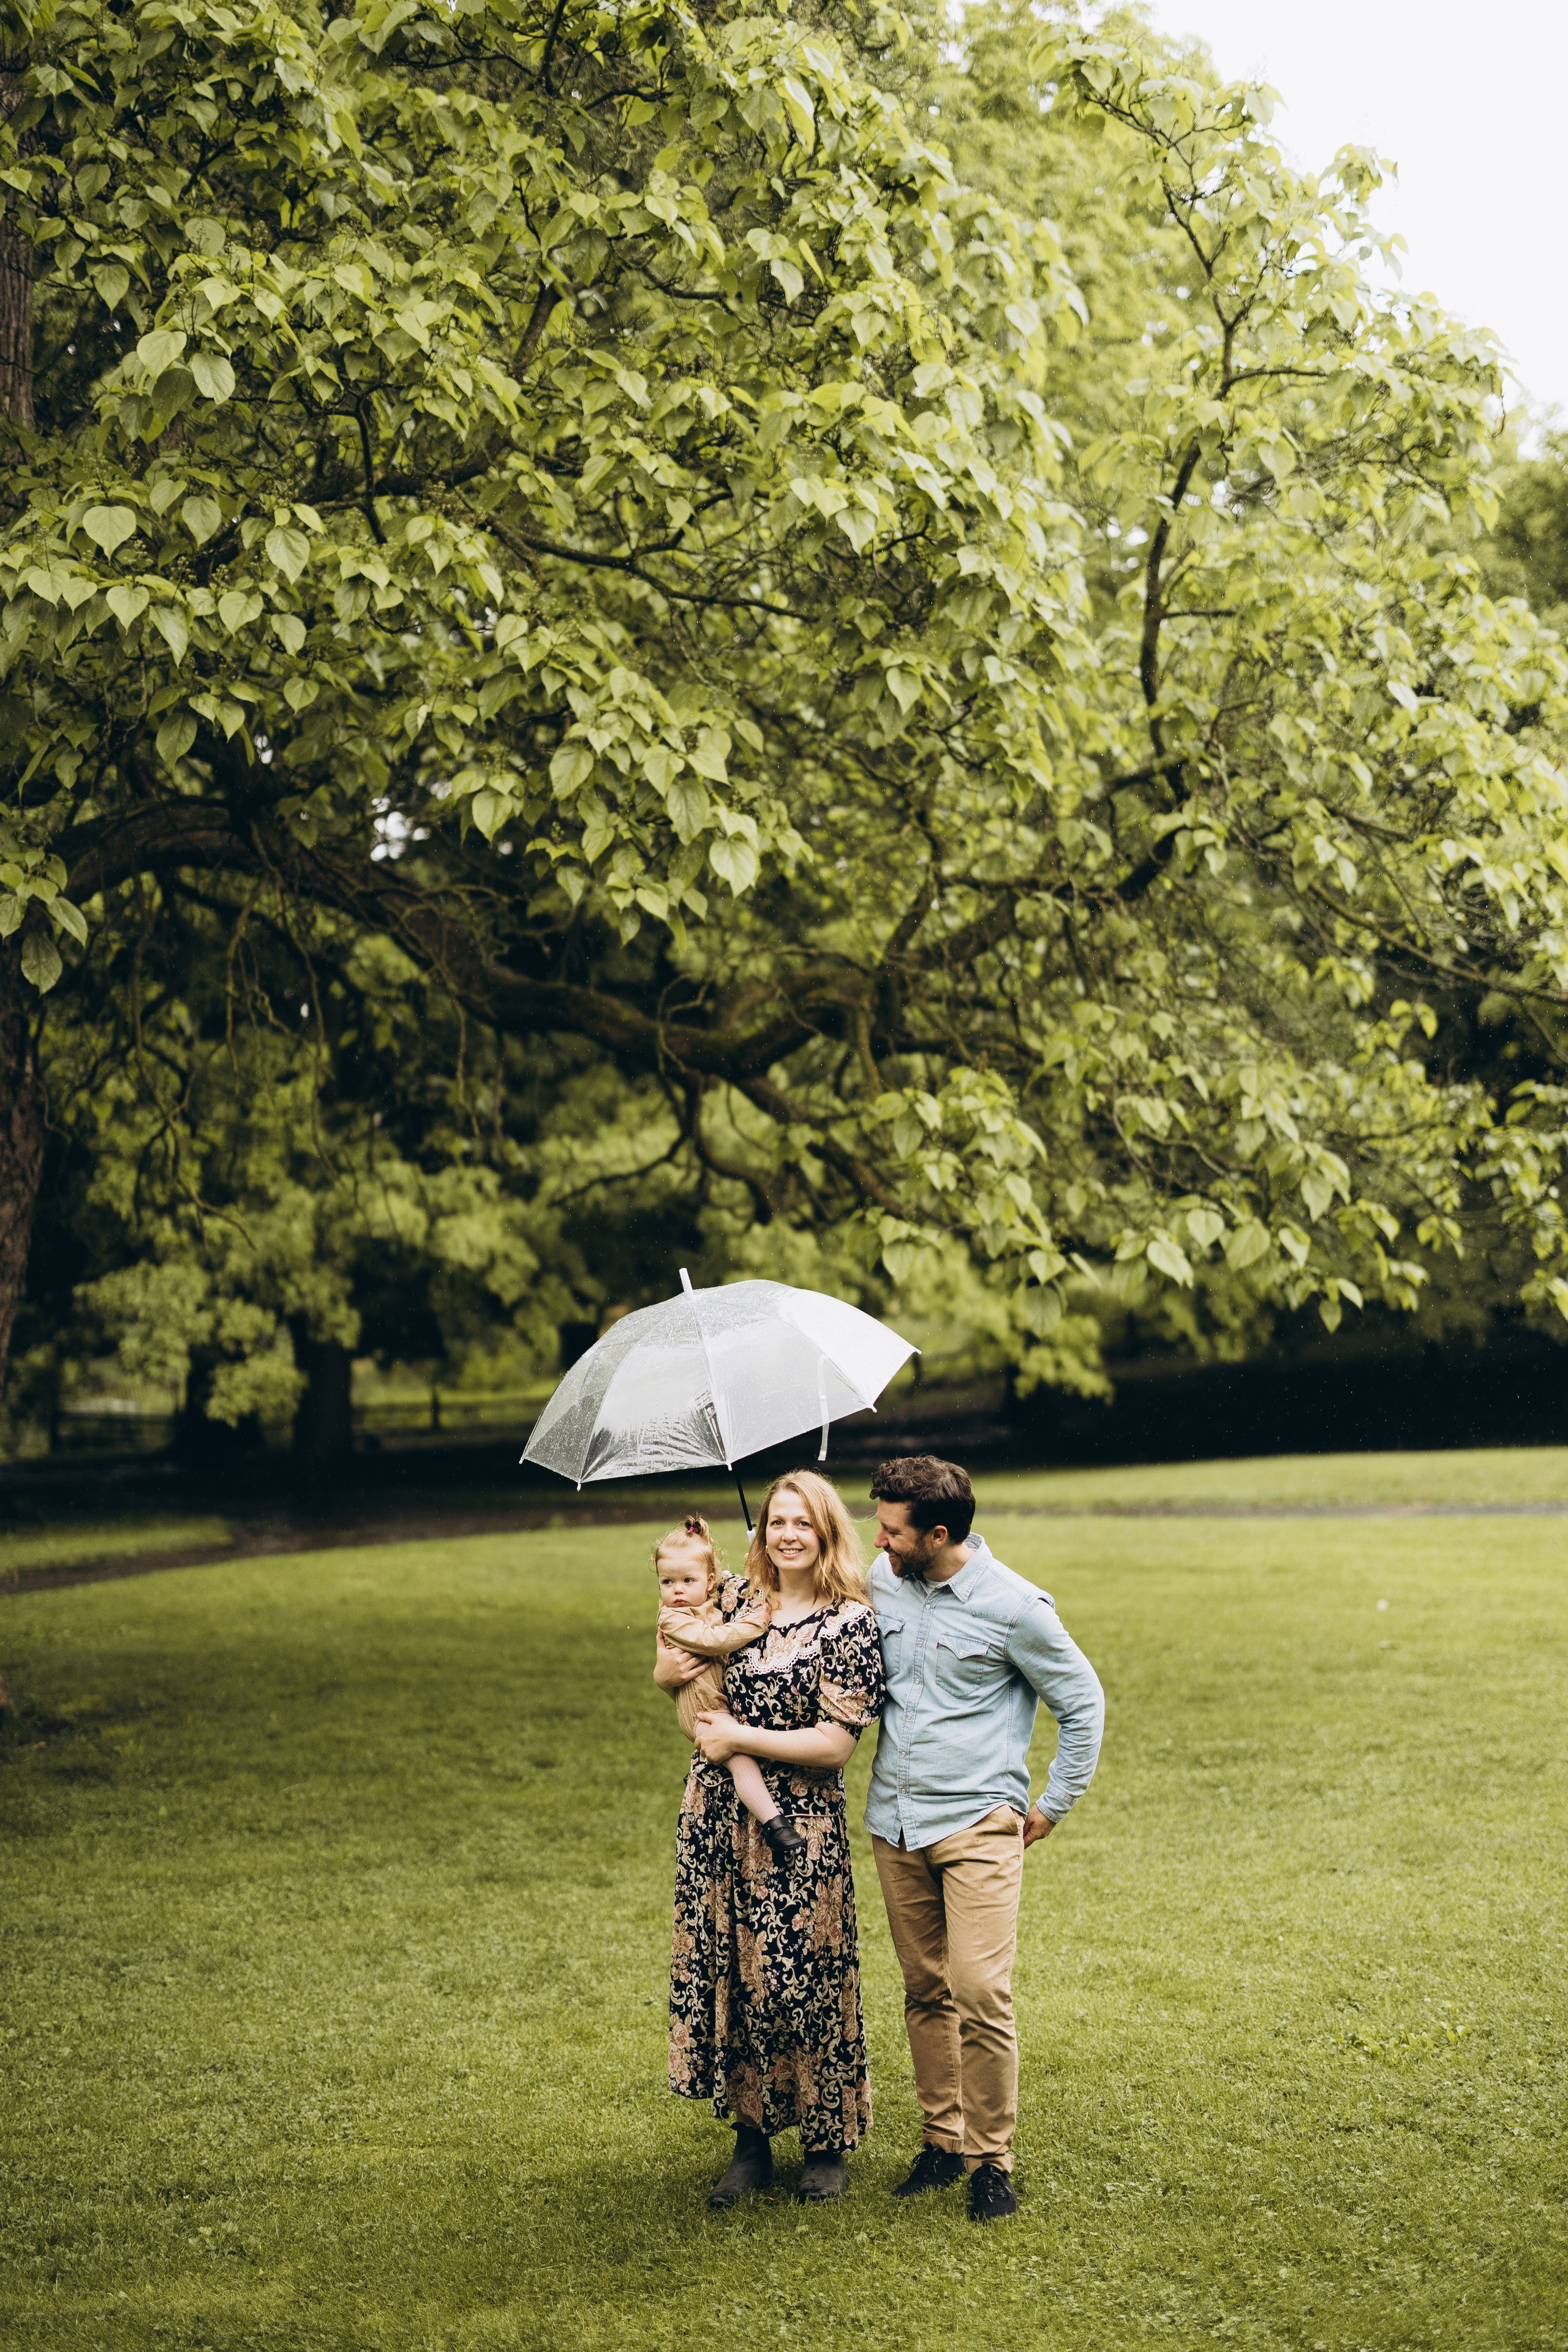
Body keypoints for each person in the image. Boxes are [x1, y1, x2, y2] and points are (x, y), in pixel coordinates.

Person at [866, 1453, 1104, 2225]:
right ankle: (941, 2142)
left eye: (893, 1530)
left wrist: (1052, 1805)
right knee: (923, 1988)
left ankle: (990, 2159)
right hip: (894, 1823)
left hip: (977, 1826)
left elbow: (1083, 1704)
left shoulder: (1015, 1607)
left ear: (938, 1534)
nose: (880, 1540)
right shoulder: (880, 1580)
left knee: (977, 1989)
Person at [655, 1470, 885, 2207]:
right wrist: (670, 1675)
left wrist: (737, 1736)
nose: (786, 1534)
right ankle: (750, 2140)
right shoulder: (734, 1599)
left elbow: (834, 1745)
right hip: (719, 1818)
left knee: (805, 1977)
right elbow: (670, 1665)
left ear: (826, 1534)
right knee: (737, 1977)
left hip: (800, 1823)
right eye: (777, 1521)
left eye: (803, 1524)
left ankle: (825, 2142)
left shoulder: (849, 1623)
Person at [652, 1512, 805, 1861]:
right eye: (667, 1582)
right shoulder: (673, 1617)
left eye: (686, 1580)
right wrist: (756, 1623)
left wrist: (760, 1554)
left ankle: (772, 1822)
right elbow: (713, 1641)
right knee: (739, 1759)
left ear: (709, 1581)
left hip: (716, 1700)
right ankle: (775, 1824)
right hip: (702, 1711)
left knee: (740, 1752)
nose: (676, 1591)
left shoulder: (711, 1601)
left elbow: (747, 1584)